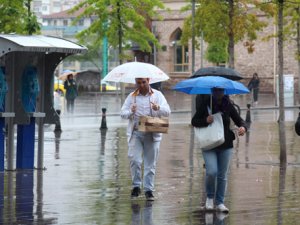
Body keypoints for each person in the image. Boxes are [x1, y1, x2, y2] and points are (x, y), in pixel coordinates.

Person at [191, 88, 248, 212]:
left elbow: (239, 120)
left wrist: (243, 127)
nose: (219, 93)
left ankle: (220, 202)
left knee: (222, 175)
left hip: (226, 144)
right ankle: (210, 198)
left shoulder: (228, 105)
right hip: (209, 144)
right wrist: (206, 120)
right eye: (216, 91)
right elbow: (194, 121)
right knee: (211, 171)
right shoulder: (205, 103)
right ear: (212, 91)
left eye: (221, 91)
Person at [120, 78, 171, 201]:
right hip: (136, 133)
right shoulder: (131, 97)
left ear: (148, 81)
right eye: (139, 82)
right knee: (135, 160)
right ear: (136, 83)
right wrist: (130, 112)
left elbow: (167, 112)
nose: (141, 85)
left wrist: (158, 108)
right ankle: (136, 186)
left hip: (152, 132)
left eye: (144, 82)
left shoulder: (157, 95)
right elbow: (122, 113)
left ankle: (148, 190)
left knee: (150, 163)